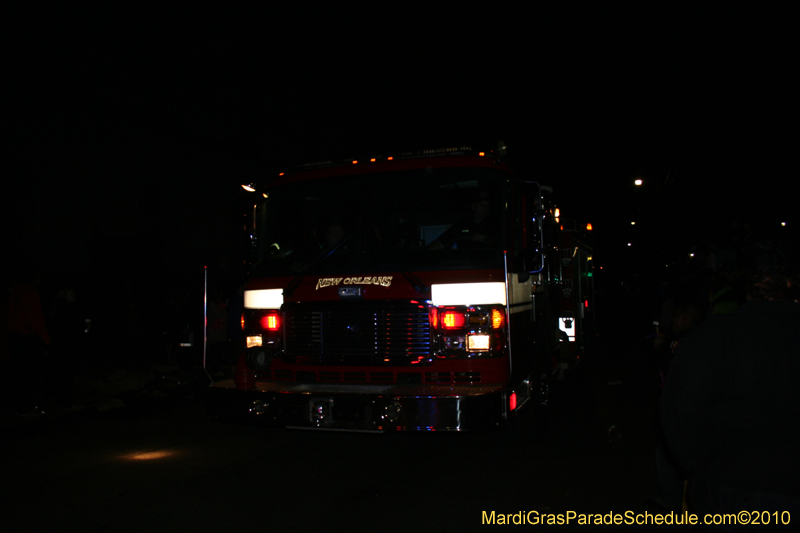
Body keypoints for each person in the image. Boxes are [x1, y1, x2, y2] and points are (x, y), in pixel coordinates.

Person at [660, 234, 800, 528]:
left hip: (723, 487)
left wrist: (700, 466)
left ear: (745, 281)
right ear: (792, 281)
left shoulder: (713, 336)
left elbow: (678, 408)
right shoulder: (714, 335)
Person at [8, 267, 50, 415]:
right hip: (25, 337)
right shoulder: (30, 291)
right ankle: (26, 406)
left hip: (14, 335)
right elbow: (36, 317)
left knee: (18, 371)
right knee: (29, 373)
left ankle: (18, 404)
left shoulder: (15, 290)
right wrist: (46, 339)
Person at [428, 189, 498, 251]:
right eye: (481, 205)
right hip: (465, 263)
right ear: (473, 206)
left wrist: (486, 240)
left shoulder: (494, 225)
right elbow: (442, 241)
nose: (484, 209)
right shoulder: (461, 225)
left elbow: (500, 243)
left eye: (487, 206)